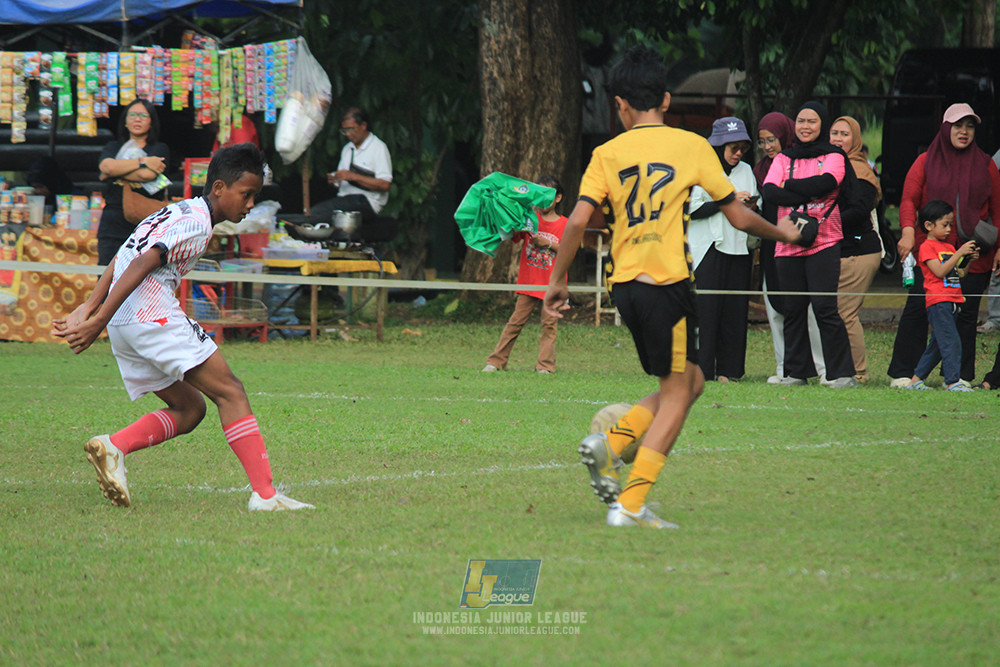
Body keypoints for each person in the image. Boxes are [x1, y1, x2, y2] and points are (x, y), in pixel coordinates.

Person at [542, 46, 811, 529]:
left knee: (692, 381)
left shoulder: (606, 153)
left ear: (620, 105)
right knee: (678, 394)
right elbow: (738, 215)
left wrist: (558, 281)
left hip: (626, 287)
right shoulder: (691, 147)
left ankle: (612, 444)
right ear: (665, 99)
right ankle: (631, 501)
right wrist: (785, 233)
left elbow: (578, 220)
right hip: (666, 284)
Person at [51, 144, 314, 512]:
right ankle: (266, 496)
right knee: (231, 392)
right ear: (219, 188)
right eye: (246, 194)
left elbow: (124, 252)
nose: (251, 204)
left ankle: (114, 446)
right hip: (150, 317)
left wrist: (92, 306)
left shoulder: (177, 210)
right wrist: (97, 319)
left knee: (190, 408)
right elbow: (141, 262)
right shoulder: (196, 224)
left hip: (128, 324)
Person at [887, 103, 1000, 387]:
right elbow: (909, 200)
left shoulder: (986, 164)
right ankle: (904, 372)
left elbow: (998, 209)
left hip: (974, 253)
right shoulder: (925, 161)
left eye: (970, 126)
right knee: (918, 307)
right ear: (946, 128)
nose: (964, 131)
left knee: (966, 314)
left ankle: (959, 375)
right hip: (931, 252)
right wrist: (908, 232)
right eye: (958, 125)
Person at [761, 101, 856, 388]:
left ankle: (842, 373)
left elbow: (827, 182)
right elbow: (769, 192)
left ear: (822, 125)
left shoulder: (834, 155)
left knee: (825, 307)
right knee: (793, 308)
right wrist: (808, 193)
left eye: (812, 121)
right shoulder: (783, 158)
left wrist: (789, 186)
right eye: (801, 121)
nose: (805, 126)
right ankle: (795, 372)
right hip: (788, 241)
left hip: (825, 241)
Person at [754, 112, 826, 384]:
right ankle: (785, 367)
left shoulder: (798, 162)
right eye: (763, 141)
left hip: (799, 241)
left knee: (807, 309)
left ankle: (822, 367)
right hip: (771, 244)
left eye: (772, 140)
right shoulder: (760, 170)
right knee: (775, 307)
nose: (767, 146)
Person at [688, 116, 757, 382]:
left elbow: (754, 206)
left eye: (742, 148)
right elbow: (692, 209)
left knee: (735, 312)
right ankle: (702, 370)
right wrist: (726, 200)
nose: (738, 153)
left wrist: (748, 205)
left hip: (738, 248)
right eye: (733, 148)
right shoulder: (699, 169)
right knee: (706, 312)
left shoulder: (746, 171)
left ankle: (730, 370)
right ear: (718, 146)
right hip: (707, 249)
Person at [483, 176, 567, 374]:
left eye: (547, 195)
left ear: (558, 198)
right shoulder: (529, 218)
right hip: (529, 282)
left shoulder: (566, 224)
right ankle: (496, 362)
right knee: (515, 322)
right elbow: (512, 234)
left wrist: (547, 244)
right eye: (538, 194)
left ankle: (545, 366)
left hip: (552, 285)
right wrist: (509, 218)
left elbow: (569, 251)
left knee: (549, 326)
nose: (542, 200)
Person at [828, 115, 882, 382]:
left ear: (856, 139)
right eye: (834, 133)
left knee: (845, 312)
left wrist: (822, 220)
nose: (838, 139)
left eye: (845, 134)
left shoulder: (860, 171)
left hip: (859, 250)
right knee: (838, 312)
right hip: (840, 249)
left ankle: (858, 373)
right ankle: (841, 370)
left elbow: (859, 210)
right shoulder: (829, 166)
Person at [904, 201, 978, 391]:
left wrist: (967, 259)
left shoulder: (949, 247)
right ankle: (953, 381)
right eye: (944, 225)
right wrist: (959, 252)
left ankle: (915, 381)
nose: (948, 229)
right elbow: (939, 271)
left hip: (953, 300)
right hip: (939, 302)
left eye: (950, 225)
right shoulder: (926, 247)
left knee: (937, 344)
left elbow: (959, 273)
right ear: (929, 225)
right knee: (951, 341)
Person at [96, 98, 170, 266]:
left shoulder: (159, 149)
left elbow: (146, 175)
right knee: (106, 276)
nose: (138, 119)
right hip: (112, 226)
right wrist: (143, 161)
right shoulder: (113, 147)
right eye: (133, 115)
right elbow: (107, 167)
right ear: (125, 121)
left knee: (142, 277)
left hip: (146, 226)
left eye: (143, 115)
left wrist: (115, 171)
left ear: (151, 122)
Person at [311, 107, 394, 239]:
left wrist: (353, 176)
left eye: (351, 129)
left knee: (319, 212)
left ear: (363, 126)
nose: (348, 134)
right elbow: (342, 180)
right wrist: (335, 179)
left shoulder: (378, 147)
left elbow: (385, 185)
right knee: (319, 212)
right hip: (345, 199)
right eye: (345, 130)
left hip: (366, 201)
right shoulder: (347, 149)